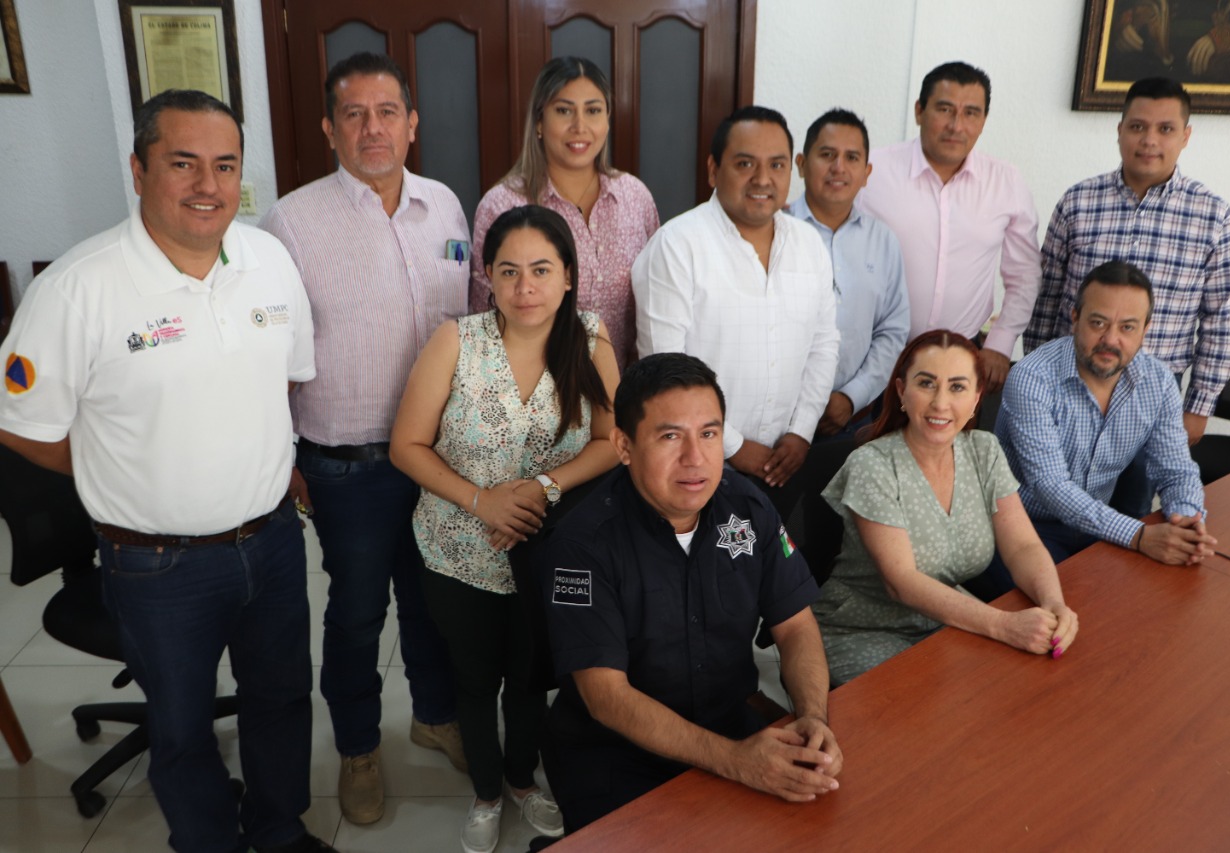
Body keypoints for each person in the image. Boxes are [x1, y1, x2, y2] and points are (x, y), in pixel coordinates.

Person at [0, 90, 328, 852]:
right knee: (180, 728)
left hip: (273, 542)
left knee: (281, 698)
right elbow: (19, 423)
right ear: (139, 169)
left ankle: (279, 830)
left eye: (226, 165)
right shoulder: (77, 288)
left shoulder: (270, 261)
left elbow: (284, 378)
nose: (208, 185)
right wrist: (115, 461)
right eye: (184, 163)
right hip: (157, 564)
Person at [259, 52, 466, 825]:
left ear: (412, 123)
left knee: (434, 600)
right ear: (329, 128)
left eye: (386, 113)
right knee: (356, 611)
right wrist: (281, 454)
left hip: (440, 455)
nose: (372, 128)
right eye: (354, 114)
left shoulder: (446, 207)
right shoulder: (290, 222)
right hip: (348, 467)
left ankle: (436, 714)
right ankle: (357, 746)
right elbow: (266, 353)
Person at [390, 205, 620, 853]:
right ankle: (487, 793)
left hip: (548, 550)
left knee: (529, 676)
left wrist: (544, 486)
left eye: (542, 270)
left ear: (568, 275)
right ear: (487, 275)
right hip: (459, 548)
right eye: (509, 271)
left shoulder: (592, 338)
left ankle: (521, 780)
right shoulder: (456, 341)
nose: (526, 287)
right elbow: (407, 445)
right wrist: (480, 500)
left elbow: (613, 440)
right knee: (473, 678)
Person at [539, 352, 843, 834]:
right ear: (623, 445)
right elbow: (606, 697)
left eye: (709, 434)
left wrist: (813, 717)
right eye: (670, 437)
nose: (695, 458)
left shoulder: (748, 507)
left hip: (729, 725)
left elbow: (796, 626)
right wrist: (737, 761)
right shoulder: (583, 544)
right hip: (616, 753)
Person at [1025, 76, 1230, 516]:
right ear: (1120, 129)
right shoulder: (1078, 202)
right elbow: (1046, 297)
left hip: (1154, 395)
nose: (1149, 140)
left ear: (1185, 136)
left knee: (1133, 513)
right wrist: (1035, 378)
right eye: (1138, 126)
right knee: (1058, 505)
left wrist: (1198, 406)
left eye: (1165, 129)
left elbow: (1223, 319)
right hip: (1073, 384)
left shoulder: (1212, 215)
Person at [814, 331, 1079, 685]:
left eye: (957, 387)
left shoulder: (984, 450)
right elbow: (902, 583)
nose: (941, 403)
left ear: (976, 397)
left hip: (942, 623)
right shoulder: (872, 466)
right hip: (857, 630)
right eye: (927, 384)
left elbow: (1023, 546)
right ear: (901, 391)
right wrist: (1003, 624)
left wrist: (1054, 604)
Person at [632, 105, 840, 514]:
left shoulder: (809, 244)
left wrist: (801, 432)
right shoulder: (677, 245)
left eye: (776, 165)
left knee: (772, 554)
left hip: (785, 462)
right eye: (745, 164)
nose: (762, 179)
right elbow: (664, 368)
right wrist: (734, 446)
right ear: (714, 170)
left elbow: (823, 345)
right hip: (696, 466)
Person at [979, 261, 1214, 599]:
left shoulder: (1158, 382)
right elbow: (1050, 486)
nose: (1111, 340)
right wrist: (1137, 536)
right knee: (1072, 605)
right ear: (1075, 318)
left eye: (1127, 327)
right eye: (1098, 323)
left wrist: (1187, 522)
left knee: (1155, 596)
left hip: (1096, 527)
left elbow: (1176, 470)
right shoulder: (1032, 378)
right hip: (1021, 529)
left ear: (1145, 329)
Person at [858, 61, 1040, 393]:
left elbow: (1024, 274)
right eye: (944, 109)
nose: (956, 126)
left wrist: (1001, 342)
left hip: (963, 358)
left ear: (983, 121)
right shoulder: (872, 171)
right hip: (875, 355)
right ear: (919, 111)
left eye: (971, 113)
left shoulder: (1006, 182)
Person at [469, 56, 659, 368]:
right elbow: (484, 315)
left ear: (607, 120)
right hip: (533, 385)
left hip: (623, 386)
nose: (579, 126)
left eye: (593, 111)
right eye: (564, 110)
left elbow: (654, 300)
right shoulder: (503, 204)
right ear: (539, 121)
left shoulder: (635, 197)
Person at [789, 108, 910, 439]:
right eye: (827, 154)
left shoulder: (883, 240)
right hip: (777, 419)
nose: (838, 167)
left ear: (866, 172)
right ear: (801, 163)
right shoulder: (774, 231)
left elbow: (892, 331)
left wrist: (851, 396)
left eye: (852, 157)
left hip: (854, 418)